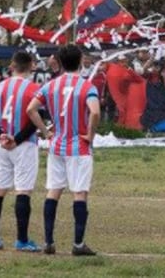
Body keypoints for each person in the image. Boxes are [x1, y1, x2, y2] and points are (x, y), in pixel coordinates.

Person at [26, 44, 100, 256]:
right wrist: (91, 134)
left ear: (59, 62)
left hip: (57, 145)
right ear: (80, 62)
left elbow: (31, 109)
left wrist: (46, 132)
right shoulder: (87, 86)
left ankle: (48, 242)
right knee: (79, 193)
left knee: (53, 191)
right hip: (79, 147)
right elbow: (94, 112)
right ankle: (78, 244)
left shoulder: (50, 85)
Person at [0, 51, 42, 252]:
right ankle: (22, 240)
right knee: (23, 191)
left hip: (2, 145)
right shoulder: (34, 89)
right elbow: (35, 120)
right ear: (31, 66)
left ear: (12, 66)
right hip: (23, 145)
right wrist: (16, 139)